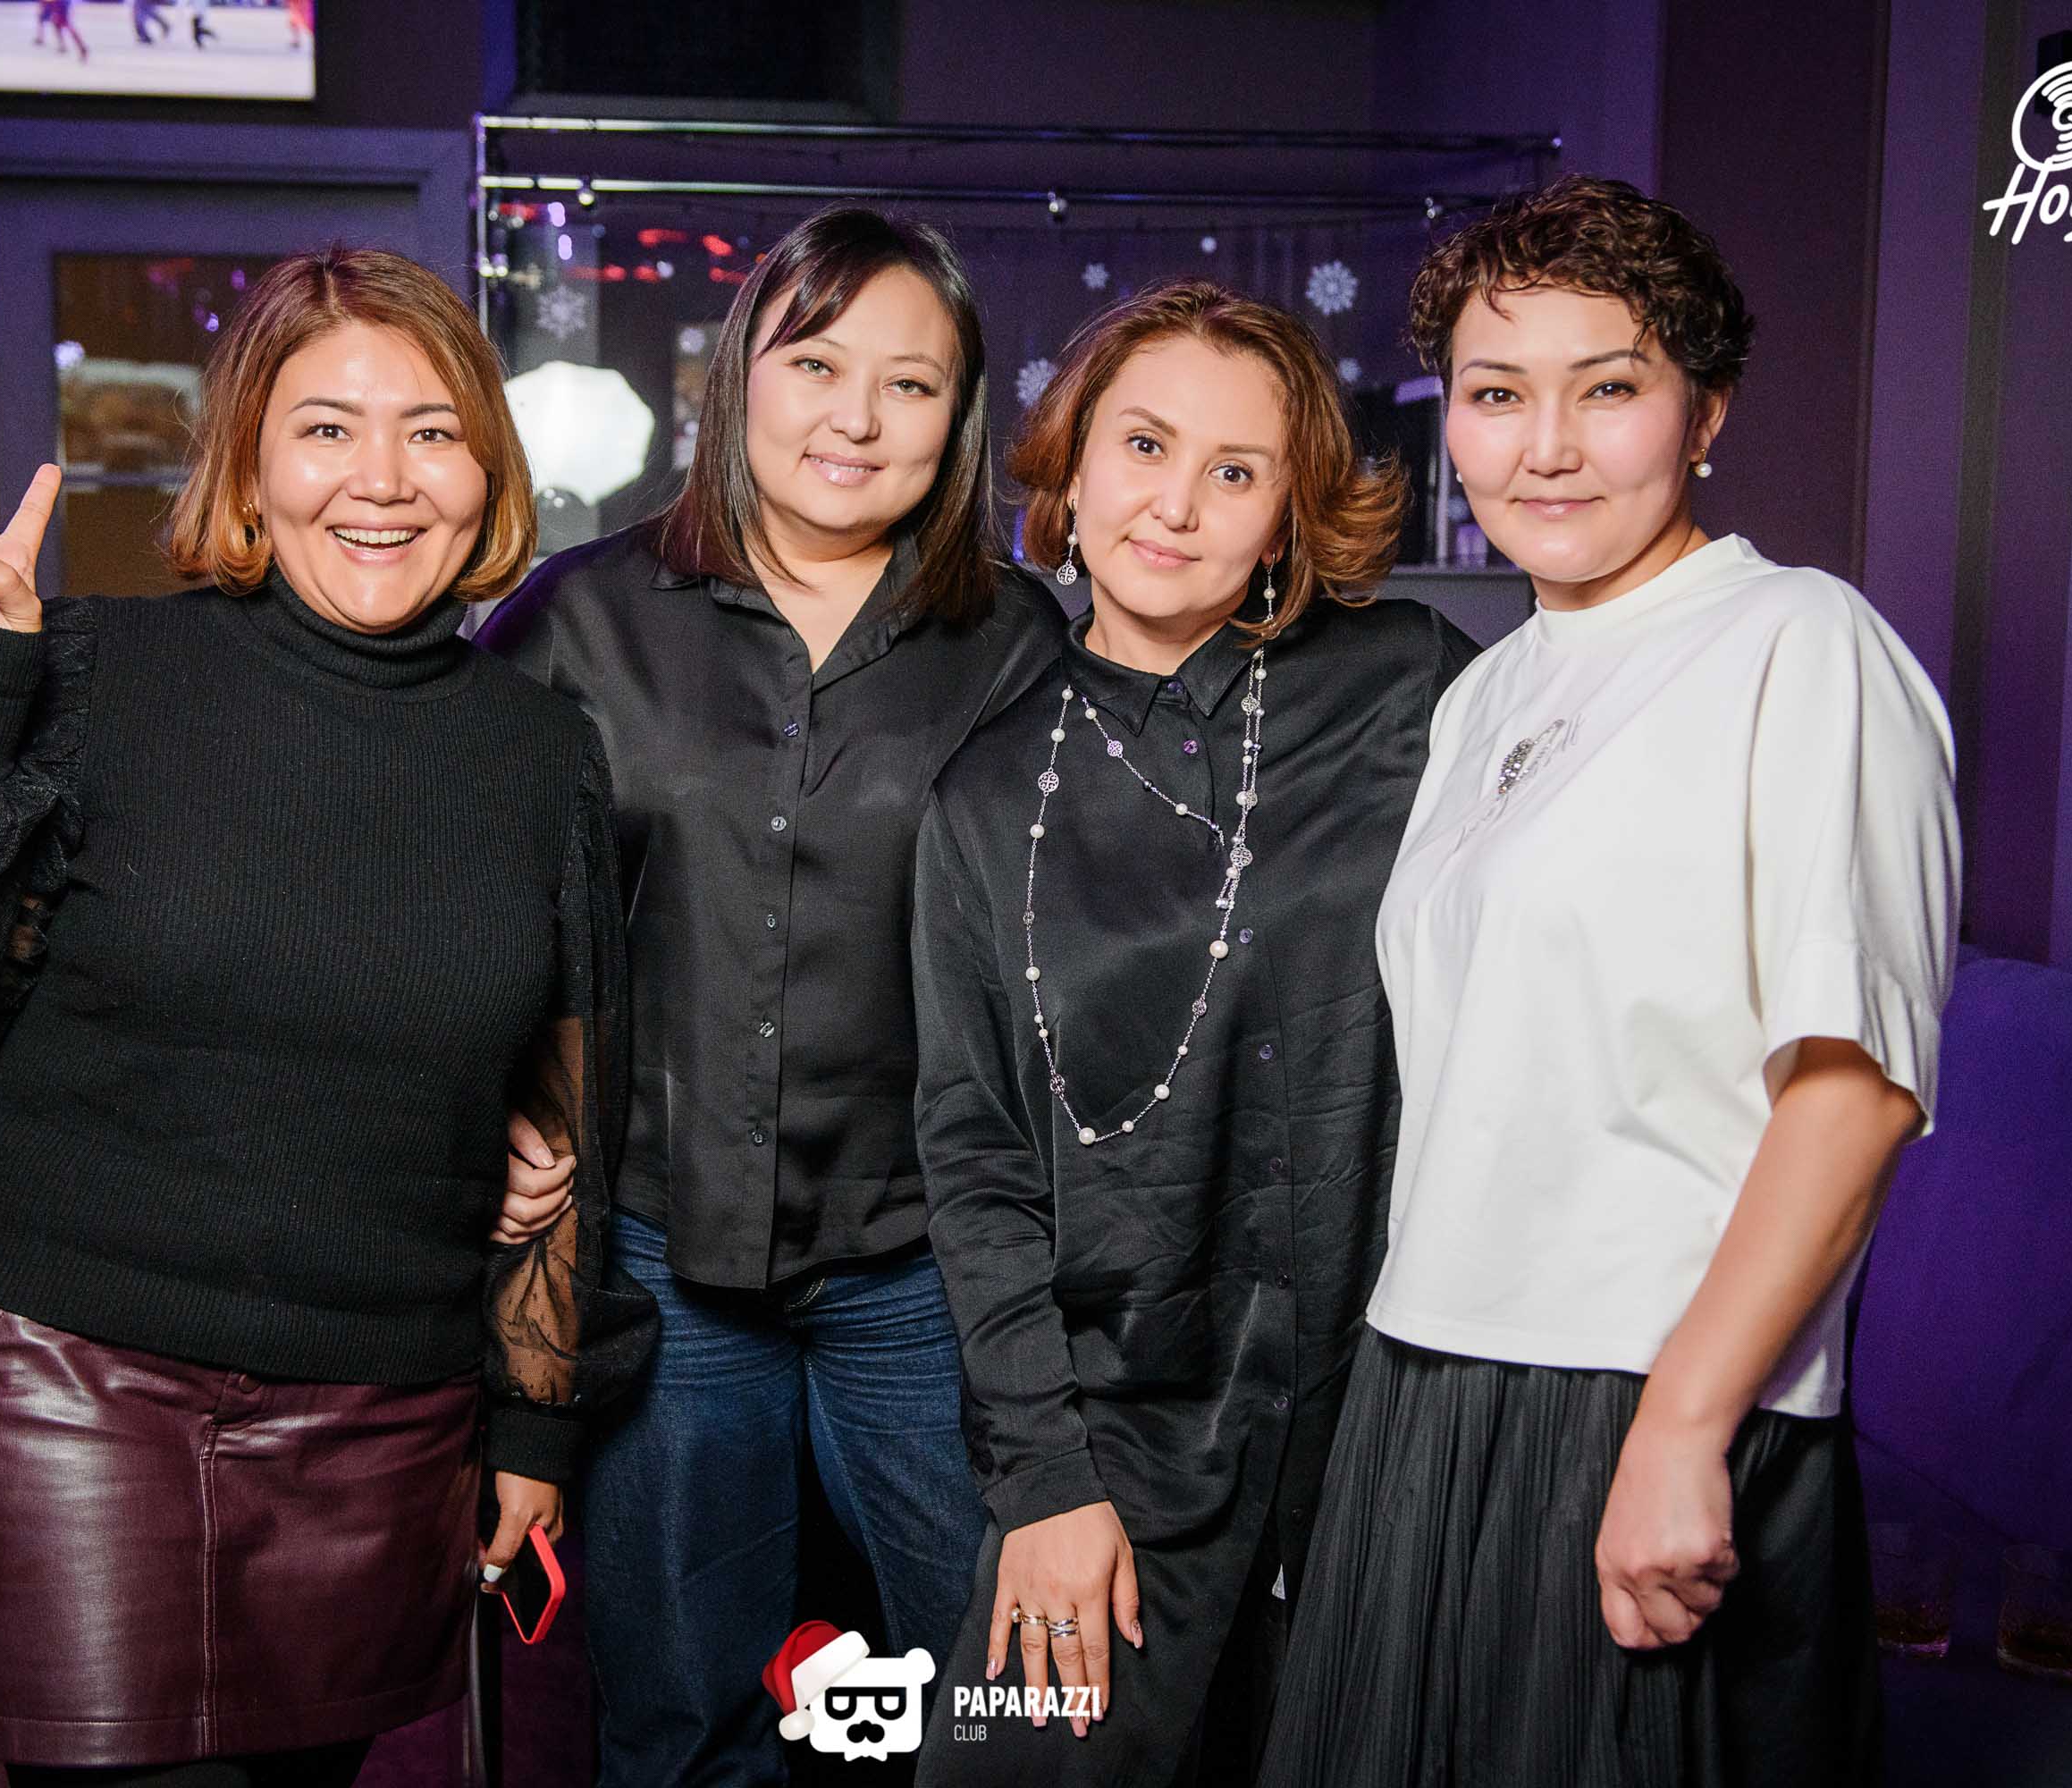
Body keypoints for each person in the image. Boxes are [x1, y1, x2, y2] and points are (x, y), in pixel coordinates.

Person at [0, 247, 655, 1787]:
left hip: (381, 1413)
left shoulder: (540, 756)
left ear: (488, 471)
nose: (382, 479)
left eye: (433, 432)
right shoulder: (97, 674)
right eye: (326, 428)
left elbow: (570, 1108)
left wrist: (532, 1431)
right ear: (249, 462)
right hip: (70, 1380)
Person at [1258, 176, 1958, 1787]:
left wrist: (1685, 1426)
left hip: (1651, 1388)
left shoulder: (1800, 642)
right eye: (1499, 395)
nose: (1548, 447)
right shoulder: (1488, 690)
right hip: (1431, 1368)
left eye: (1611, 388)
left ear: (1704, 413)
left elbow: (1852, 1091)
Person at [483, 204, 1062, 1787]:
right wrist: (489, 1113)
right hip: (659, 1260)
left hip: (922, 1265)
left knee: (998, 1700)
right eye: (817, 364)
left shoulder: (1018, 646)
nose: (857, 417)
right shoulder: (578, 620)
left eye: (911, 383)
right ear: (740, 373)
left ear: (960, 417)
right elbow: (453, 905)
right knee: (684, 1720)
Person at [906, 282, 1471, 1787]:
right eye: (1144, 446)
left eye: (1236, 470)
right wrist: (1043, 1481)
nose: (1176, 504)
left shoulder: (1413, 685)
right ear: (1072, 468)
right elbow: (975, 1158)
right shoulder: (986, 797)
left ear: (1288, 512)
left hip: (1386, 1424)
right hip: (1123, 1437)